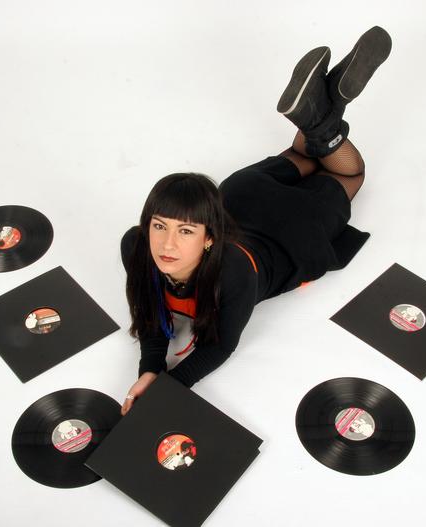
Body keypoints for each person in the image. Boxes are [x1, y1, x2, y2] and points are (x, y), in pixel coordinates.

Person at [120, 27, 392, 415]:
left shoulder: (232, 272)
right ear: (146, 224)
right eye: (159, 226)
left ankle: (325, 122)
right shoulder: (136, 245)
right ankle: (323, 117)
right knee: (305, 154)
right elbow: (150, 312)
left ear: (209, 237)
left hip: (292, 228)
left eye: (185, 230)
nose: (167, 244)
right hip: (240, 195)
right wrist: (150, 369)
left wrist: (170, 387)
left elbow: (220, 345)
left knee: (349, 174)